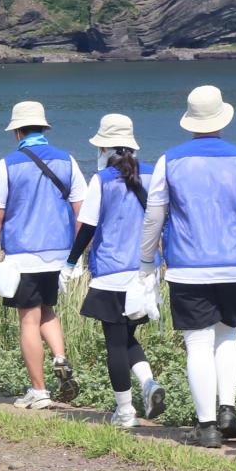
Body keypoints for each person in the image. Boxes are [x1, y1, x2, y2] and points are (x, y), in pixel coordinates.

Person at [138, 85, 236, 448]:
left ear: (190, 121)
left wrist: (146, 260)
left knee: (197, 343)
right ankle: (228, 410)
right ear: (222, 118)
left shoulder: (170, 160)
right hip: (234, 263)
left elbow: (154, 217)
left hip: (187, 264)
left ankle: (207, 425)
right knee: (228, 335)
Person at [65, 114, 166, 429]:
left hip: (111, 272)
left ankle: (125, 411)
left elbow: (87, 227)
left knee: (115, 342)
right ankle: (148, 383)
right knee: (127, 335)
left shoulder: (102, 180)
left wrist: (70, 262)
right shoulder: (153, 174)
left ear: (104, 148)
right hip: (146, 272)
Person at [0, 101, 83, 409]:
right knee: (47, 309)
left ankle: (39, 391)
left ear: (17, 132)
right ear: (44, 128)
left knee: (28, 319)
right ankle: (60, 356)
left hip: (23, 254)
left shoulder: (8, 164)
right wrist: (76, 253)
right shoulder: (67, 160)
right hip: (58, 253)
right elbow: (81, 210)